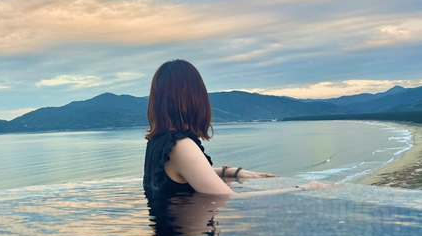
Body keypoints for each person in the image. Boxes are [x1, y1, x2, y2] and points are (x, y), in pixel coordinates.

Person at [143, 59, 335, 196]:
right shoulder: (180, 145)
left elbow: (188, 174)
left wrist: (229, 171)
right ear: (195, 97)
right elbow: (229, 197)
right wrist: (305, 188)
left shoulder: (158, 141)